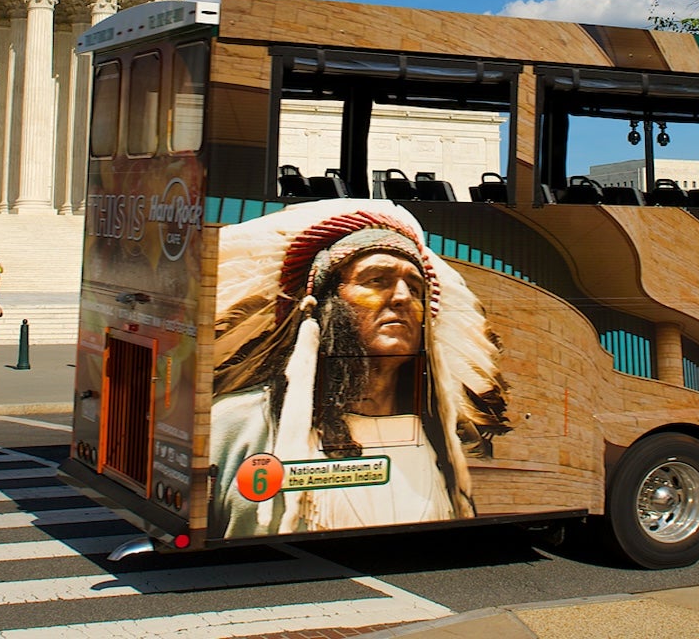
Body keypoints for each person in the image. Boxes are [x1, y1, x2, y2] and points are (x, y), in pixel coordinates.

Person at [210, 200, 508, 537]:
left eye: (415, 288)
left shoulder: (438, 441)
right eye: (377, 279)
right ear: (325, 302)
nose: (401, 298)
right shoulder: (238, 424)